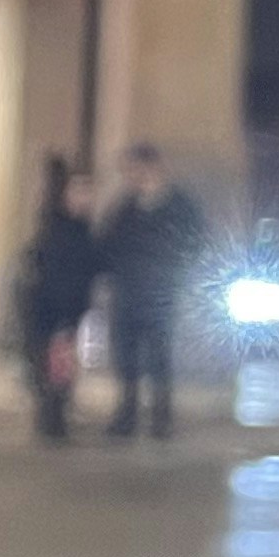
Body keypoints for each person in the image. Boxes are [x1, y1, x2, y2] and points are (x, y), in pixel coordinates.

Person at [96, 142, 204, 440]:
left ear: (151, 167)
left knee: (159, 357)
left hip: (160, 294)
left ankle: (161, 418)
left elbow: (195, 243)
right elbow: (108, 243)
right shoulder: (126, 206)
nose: (130, 176)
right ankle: (127, 415)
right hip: (128, 293)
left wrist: (174, 274)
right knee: (126, 357)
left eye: (133, 169)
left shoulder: (179, 206)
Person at [19, 156, 101, 445]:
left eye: (88, 192)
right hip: (52, 311)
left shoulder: (82, 229)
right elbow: (54, 273)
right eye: (79, 191)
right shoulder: (57, 229)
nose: (84, 199)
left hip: (69, 311)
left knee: (61, 369)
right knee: (53, 368)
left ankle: (55, 419)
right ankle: (52, 421)